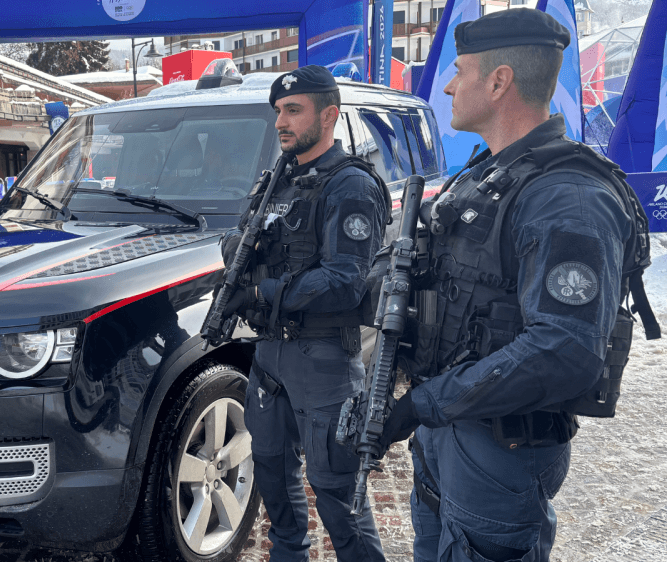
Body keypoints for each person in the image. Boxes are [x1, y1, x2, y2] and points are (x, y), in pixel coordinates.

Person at [377, 10, 659, 562]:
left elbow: (564, 351)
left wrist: (425, 403)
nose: (449, 86)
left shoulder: (568, 197)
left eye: (459, 72)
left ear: (499, 82)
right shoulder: (488, 175)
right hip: (450, 427)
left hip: (498, 447)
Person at [220, 65, 391, 562]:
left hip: (323, 359)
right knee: (272, 472)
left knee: (337, 492)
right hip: (270, 355)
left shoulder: (350, 185)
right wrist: (238, 256)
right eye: (278, 111)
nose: (281, 122)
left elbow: (345, 281)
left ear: (329, 115)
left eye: (293, 110)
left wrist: (261, 290)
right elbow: (239, 237)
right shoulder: (278, 179)